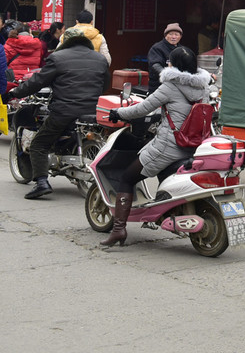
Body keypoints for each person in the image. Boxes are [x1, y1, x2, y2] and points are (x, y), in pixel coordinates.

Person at [101, 46, 213, 247]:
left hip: (169, 146)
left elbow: (142, 108)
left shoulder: (170, 86)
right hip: (193, 146)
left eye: (170, 61)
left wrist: (118, 113)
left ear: (174, 65)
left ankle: (118, 229)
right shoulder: (204, 87)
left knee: (127, 178)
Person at [3, 27, 108, 199]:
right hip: (93, 111)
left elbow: (37, 82)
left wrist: (15, 93)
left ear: (65, 42)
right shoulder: (99, 59)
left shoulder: (57, 58)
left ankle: (42, 182)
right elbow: (104, 84)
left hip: (64, 111)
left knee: (39, 144)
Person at [147, 23, 183, 94]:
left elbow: (190, 64)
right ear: (166, 35)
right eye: (171, 34)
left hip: (178, 87)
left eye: (176, 34)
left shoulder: (182, 50)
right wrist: (167, 75)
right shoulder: (157, 48)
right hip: (158, 87)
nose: (173, 37)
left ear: (180, 36)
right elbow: (155, 65)